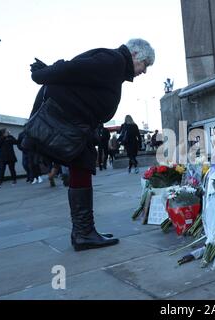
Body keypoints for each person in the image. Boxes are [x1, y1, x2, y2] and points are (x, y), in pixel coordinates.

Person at [28, 38, 155, 251]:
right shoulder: (113, 61)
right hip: (70, 121)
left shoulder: (114, 64)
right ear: (135, 55)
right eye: (145, 64)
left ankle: (83, 232)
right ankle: (83, 233)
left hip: (78, 123)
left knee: (83, 166)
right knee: (83, 165)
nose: (144, 71)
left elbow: (79, 75)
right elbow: (74, 68)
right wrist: (44, 74)